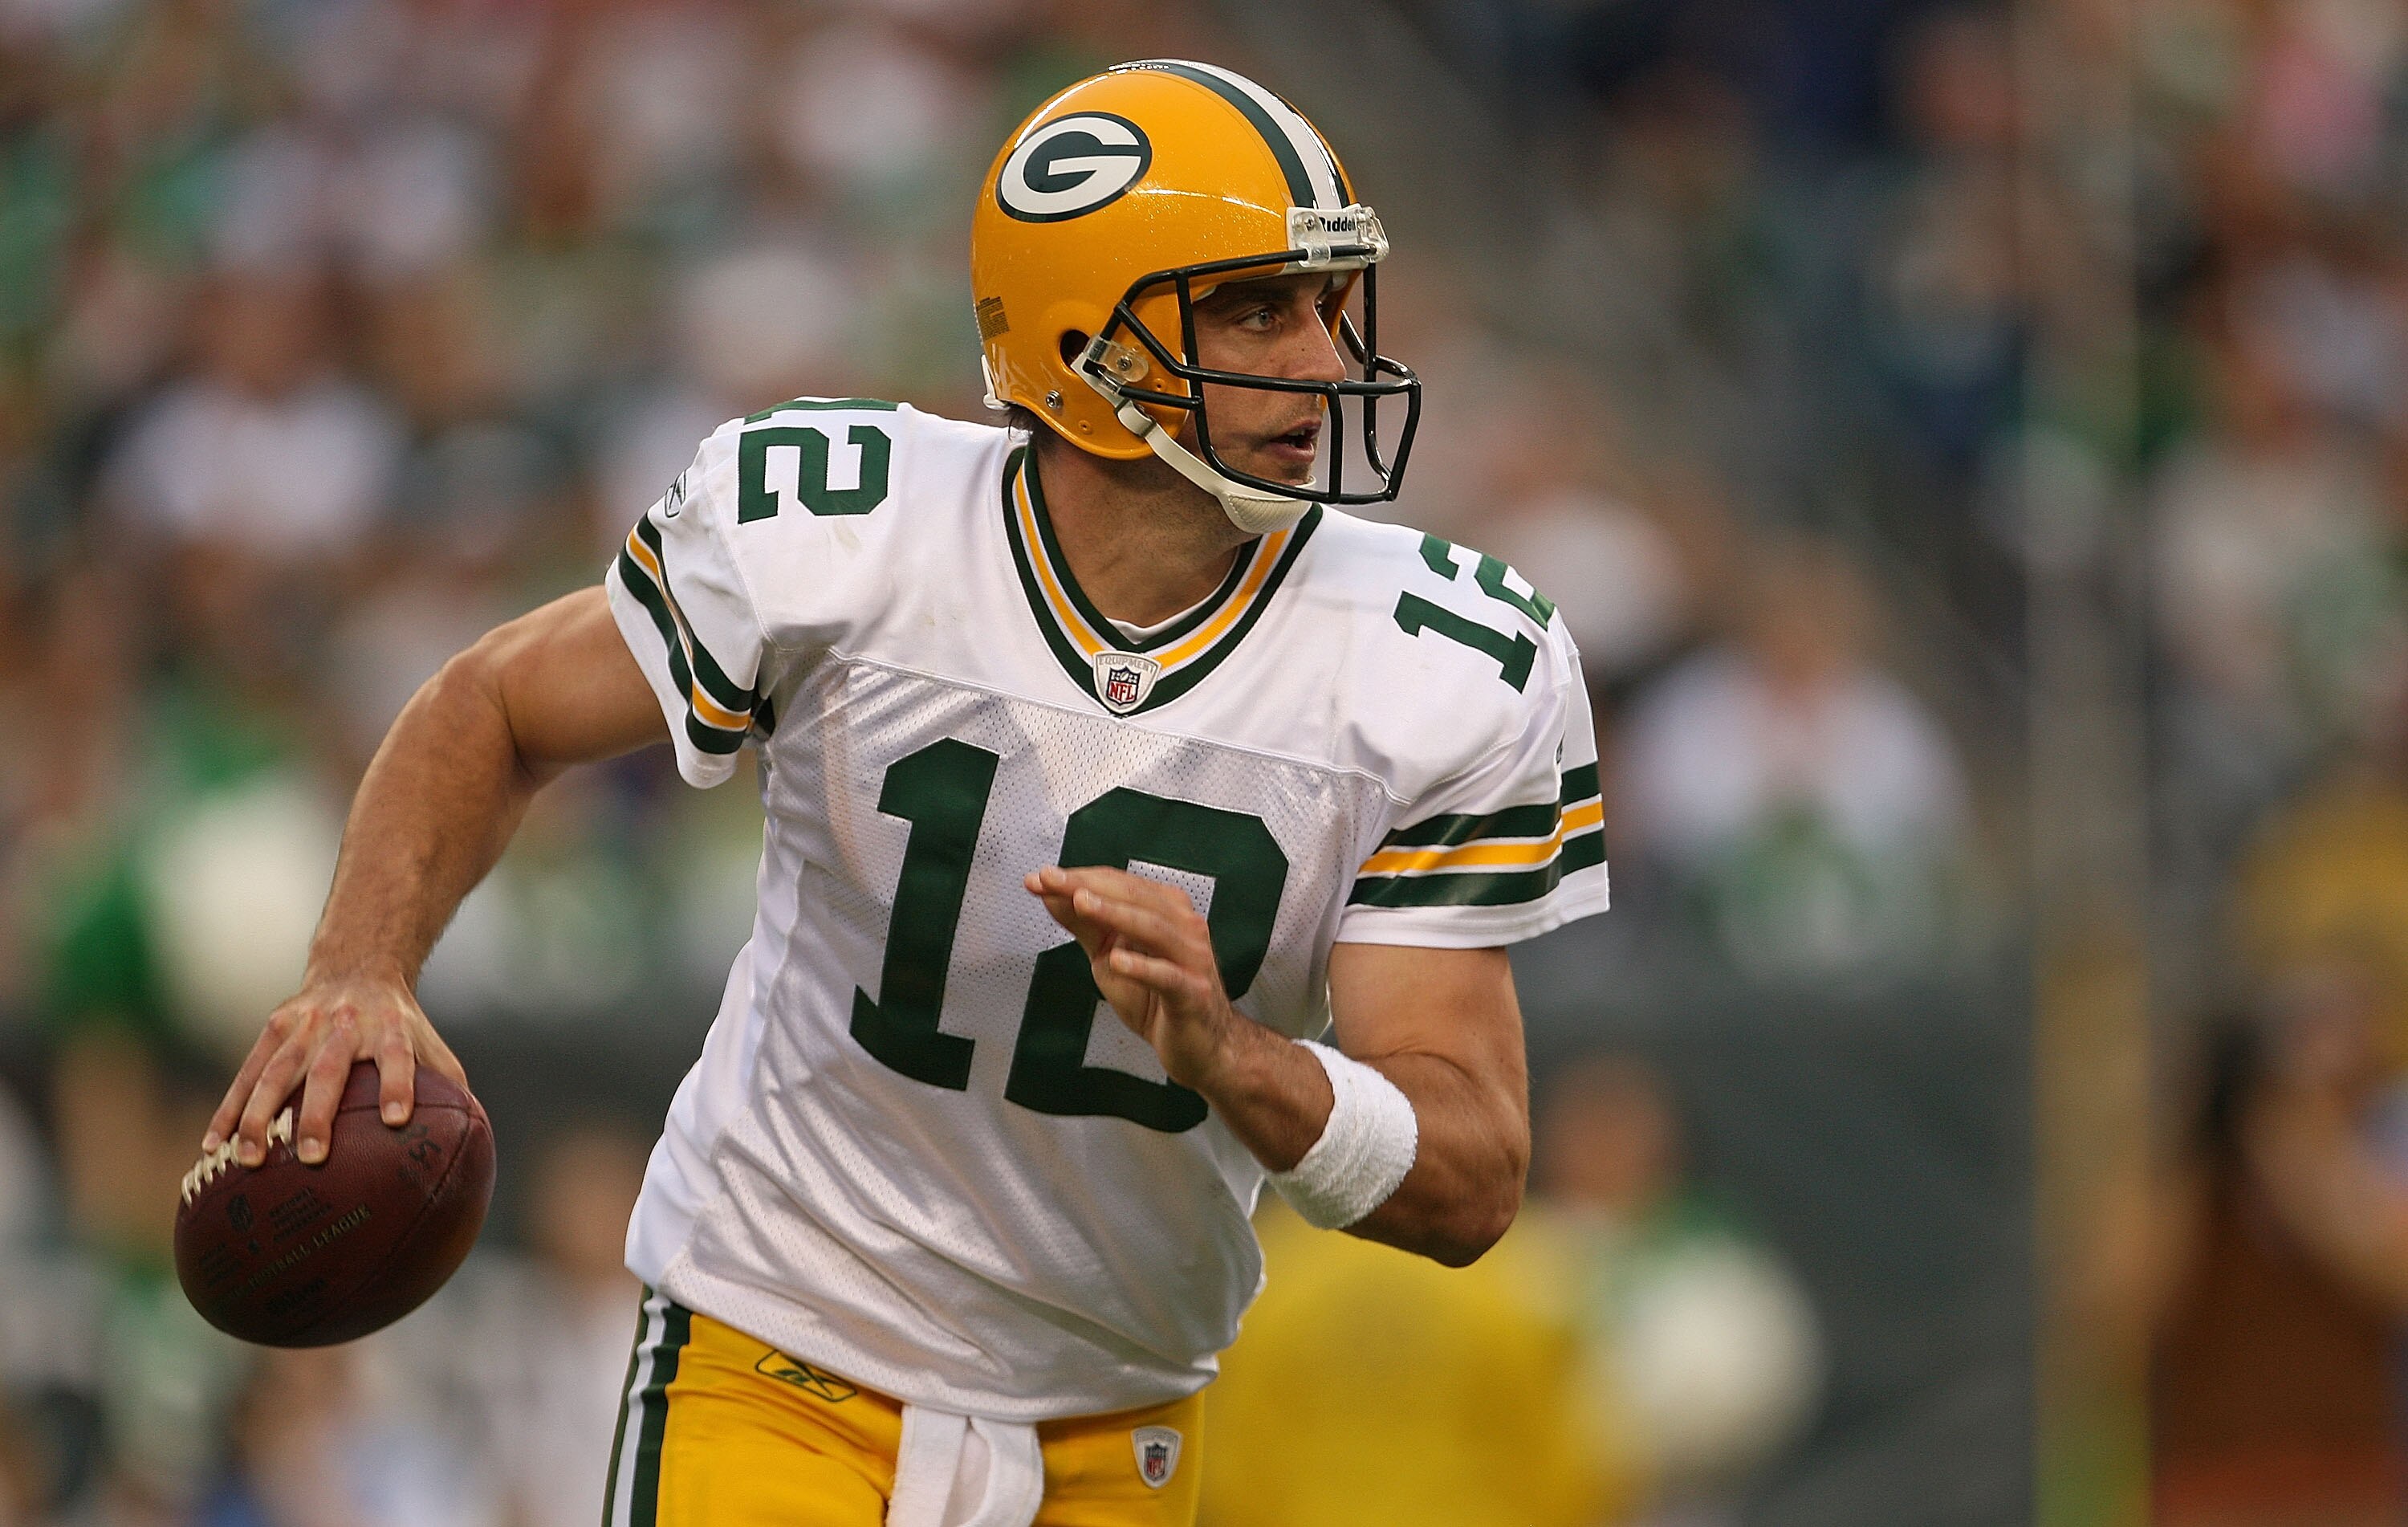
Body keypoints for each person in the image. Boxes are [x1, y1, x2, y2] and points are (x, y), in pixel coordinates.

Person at [202, 60, 1609, 1527]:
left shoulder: (1443, 665)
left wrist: (1237, 1056)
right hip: (776, 1342)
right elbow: (492, 703)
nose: (1323, 361)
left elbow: (1470, 1173)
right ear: (1090, 342)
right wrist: (359, 964)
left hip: (1118, 1414)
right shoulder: (841, 534)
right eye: (1258, 308)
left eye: (1329, 305)